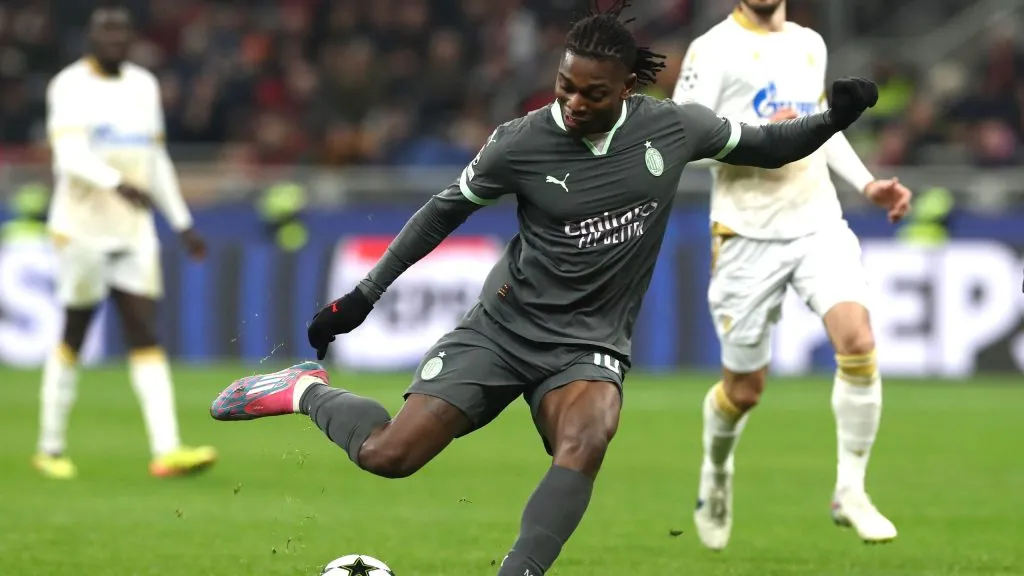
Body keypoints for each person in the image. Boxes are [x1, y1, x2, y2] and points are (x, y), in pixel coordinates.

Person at [211, 1, 880, 573]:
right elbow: (444, 210)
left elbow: (766, 144)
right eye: (564, 87)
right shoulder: (519, 142)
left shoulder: (671, 128)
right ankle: (302, 389)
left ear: (626, 90)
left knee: (588, 435)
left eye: (591, 93)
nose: (572, 103)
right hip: (503, 331)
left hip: (587, 342)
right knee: (390, 455)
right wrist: (364, 295)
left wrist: (831, 120)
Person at [671, 0, 911, 549]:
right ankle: (716, 472)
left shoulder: (809, 42)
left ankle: (851, 490)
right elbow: (680, 139)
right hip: (746, 234)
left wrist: (867, 183)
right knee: (745, 390)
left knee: (858, 341)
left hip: (817, 221)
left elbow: (822, 125)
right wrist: (760, 135)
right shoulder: (713, 50)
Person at [35, 1, 216, 479]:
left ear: (132, 40)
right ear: (91, 39)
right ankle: (49, 448)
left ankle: (167, 450)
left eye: (122, 34)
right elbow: (69, 155)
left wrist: (181, 222)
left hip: (132, 230)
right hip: (81, 227)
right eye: (106, 33)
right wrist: (116, 182)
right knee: (75, 330)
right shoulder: (70, 86)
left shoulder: (143, 85)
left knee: (145, 332)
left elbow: (154, 160)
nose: (115, 41)